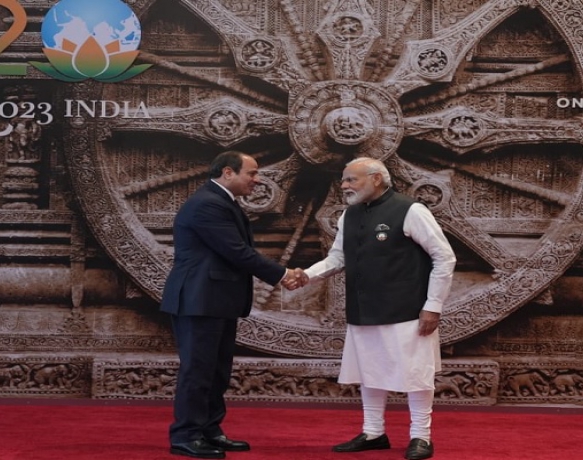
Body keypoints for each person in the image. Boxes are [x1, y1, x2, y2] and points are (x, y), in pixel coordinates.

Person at [291, 157, 456, 460]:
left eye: (351, 180)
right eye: (344, 180)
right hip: (363, 308)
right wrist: (306, 275)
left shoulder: (411, 210)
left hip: (407, 309)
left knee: (417, 374)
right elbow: (337, 259)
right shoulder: (349, 216)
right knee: (370, 371)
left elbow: (444, 257)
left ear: (376, 179)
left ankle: (421, 436)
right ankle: (373, 432)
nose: (344, 186)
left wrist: (433, 306)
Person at [161, 150, 301, 459]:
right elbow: (236, 251)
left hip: (214, 300)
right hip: (199, 300)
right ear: (228, 172)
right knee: (198, 371)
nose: (257, 179)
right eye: (251, 173)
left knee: (216, 371)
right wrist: (283, 274)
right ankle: (186, 435)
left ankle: (209, 430)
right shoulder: (207, 204)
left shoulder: (220, 201)